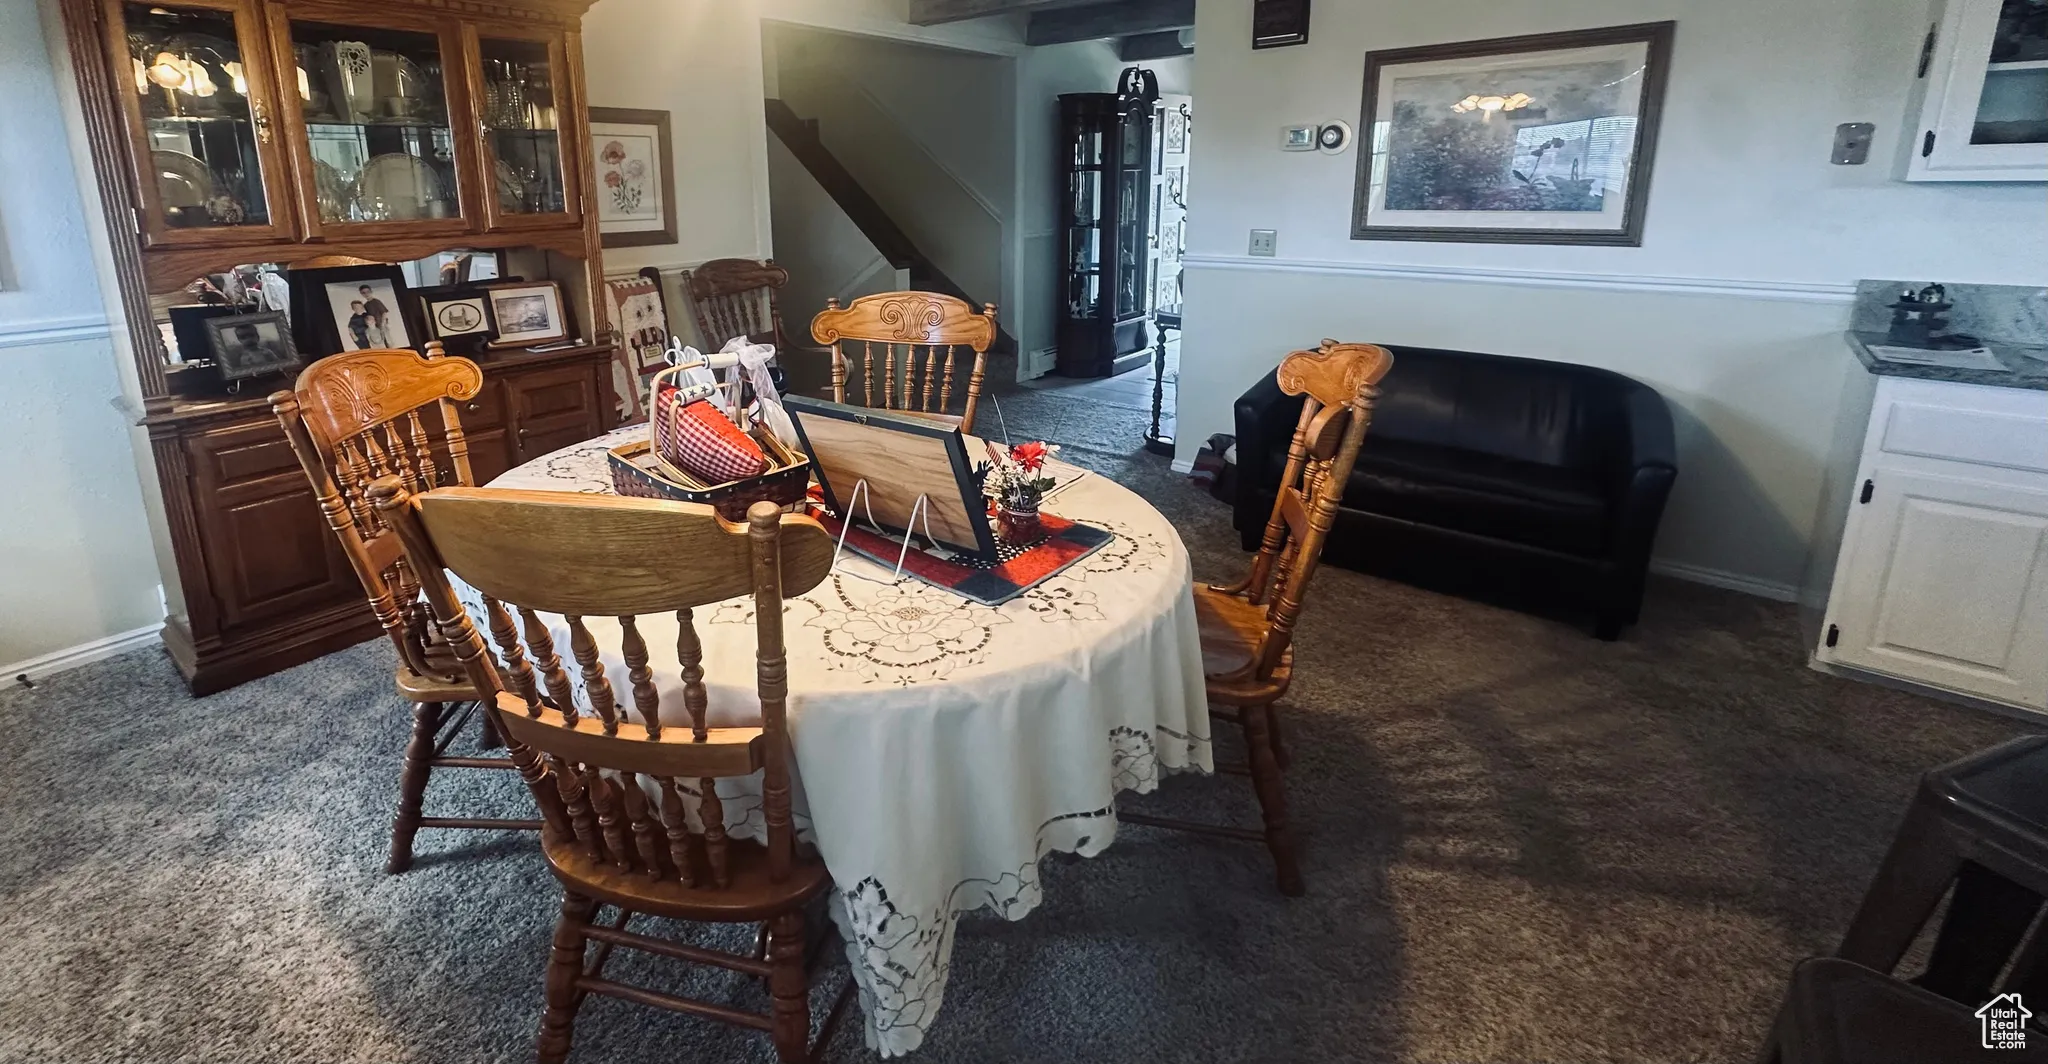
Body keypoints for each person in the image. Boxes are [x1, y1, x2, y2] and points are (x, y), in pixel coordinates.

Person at [218, 321, 285, 375]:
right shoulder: (244, 357)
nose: (248, 340)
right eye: (243, 337)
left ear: (257, 337)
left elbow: (279, 364)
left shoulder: (266, 351)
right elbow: (245, 371)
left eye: (251, 335)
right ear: (239, 340)